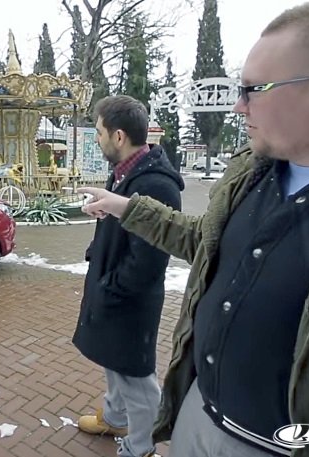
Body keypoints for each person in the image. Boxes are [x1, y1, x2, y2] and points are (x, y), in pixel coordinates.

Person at [78, 2, 309, 456]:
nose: (239, 106)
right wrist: (126, 206)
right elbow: (205, 242)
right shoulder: (247, 173)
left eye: (254, 89)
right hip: (198, 414)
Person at [73, 95, 183, 457]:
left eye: (99, 132)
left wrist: (111, 288)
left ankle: (141, 447)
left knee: (135, 378)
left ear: (118, 136)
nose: (97, 139)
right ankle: (114, 417)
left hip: (130, 301)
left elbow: (148, 261)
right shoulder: (124, 172)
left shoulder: (156, 185)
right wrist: (99, 245)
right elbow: (125, 231)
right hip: (112, 290)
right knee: (112, 361)